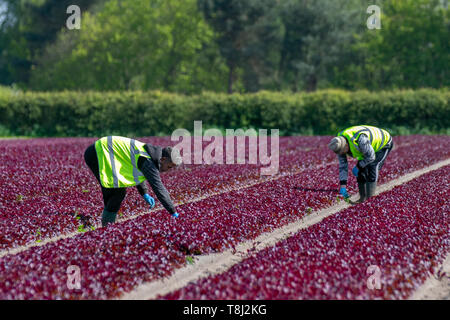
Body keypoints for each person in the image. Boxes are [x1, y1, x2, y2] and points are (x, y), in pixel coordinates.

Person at [84, 136, 180, 227]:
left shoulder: (150, 155)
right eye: (169, 166)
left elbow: (138, 172)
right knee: (117, 193)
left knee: (116, 193)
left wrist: (144, 193)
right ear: (163, 159)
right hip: (98, 153)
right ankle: (106, 227)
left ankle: (107, 224)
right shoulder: (148, 161)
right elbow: (158, 187)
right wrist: (173, 212)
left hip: (101, 151)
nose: (168, 170)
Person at [328, 125, 393, 204]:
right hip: (366, 149)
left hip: (383, 143)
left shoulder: (360, 140)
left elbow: (371, 157)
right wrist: (343, 186)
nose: (342, 154)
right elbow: (343, 166)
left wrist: (358, 166)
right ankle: (362, 197)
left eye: (342, 152)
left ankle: (370, 197)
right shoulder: (338, 145)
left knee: (372, 166)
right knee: (361, 171)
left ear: (346, 145)